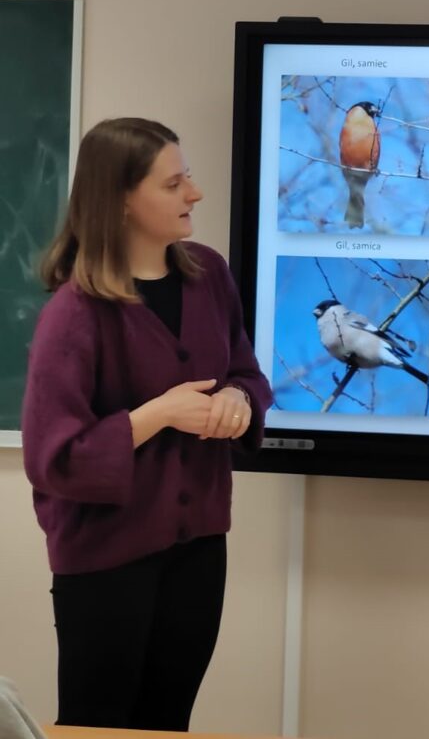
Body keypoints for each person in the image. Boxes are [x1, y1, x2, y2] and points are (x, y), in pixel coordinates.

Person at [21, 117, 272, 732]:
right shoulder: (73, 313)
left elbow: (246, 372)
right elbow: (53, 458)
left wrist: (240, 400)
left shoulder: (209, 275)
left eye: (188, 177)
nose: (195, 194)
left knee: (168, 725)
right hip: (105, 564)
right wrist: (155, 416)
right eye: (173, 183)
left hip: (198, 554)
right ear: (122, 201)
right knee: (97, 727)